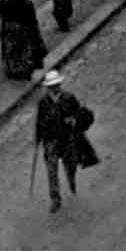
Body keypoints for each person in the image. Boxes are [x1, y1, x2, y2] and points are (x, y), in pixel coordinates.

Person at [35, 69, 97, 213]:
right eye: (51, 86)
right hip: (50, 141)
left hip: (66, 139)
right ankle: (55, 199)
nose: (54, 88)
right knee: (52, 170)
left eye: (56, 84)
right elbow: (39, 121)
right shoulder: (43, 102)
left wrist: (73, 120)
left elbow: (79, 113)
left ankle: (71, 180)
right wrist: (38, 137)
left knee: (70, 165)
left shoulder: (69, 98)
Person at [0, 0, 46, 80]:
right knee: (20, 45)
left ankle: (16, 68)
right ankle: (21, 68)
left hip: (12, 21)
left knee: (14, 45)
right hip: (17, 21)